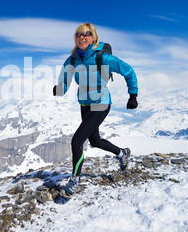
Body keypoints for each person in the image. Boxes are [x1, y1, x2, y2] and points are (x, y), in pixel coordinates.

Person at [53, 22, 138, 197]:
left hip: (101, 103)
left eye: (87, 34)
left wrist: (133, 95)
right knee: (95, 141)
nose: (82, 37)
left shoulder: (102, 58)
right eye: (79, 34)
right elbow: (65, 80)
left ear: (93, 38)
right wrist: (59, 89)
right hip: (85, 104)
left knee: (77, 141)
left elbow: (128, 71)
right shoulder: (72, 60)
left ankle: (75, 180)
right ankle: (122, 153)